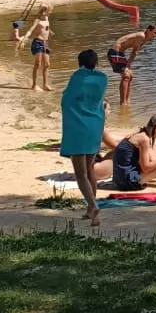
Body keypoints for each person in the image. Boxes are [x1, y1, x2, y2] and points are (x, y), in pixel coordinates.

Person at [60, 49, 110, 226]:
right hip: (95, 125)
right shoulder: (103, 78)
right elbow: (97, 100)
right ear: (96, 62)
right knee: (90, 170)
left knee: (80, 174)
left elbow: (67, 98)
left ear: (79, 62)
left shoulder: (77, 77)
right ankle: (91, 210)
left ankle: (93, 206)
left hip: (78, 127)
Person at [107, 25, 156, 105]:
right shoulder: (141, 36)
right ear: (148, 30)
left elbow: (135, 52)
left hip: (120, 54)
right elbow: (118, 43)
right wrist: (119, 59)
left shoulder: (144, 39)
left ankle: (127, 101)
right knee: (126, 76)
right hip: (115, 52)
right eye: (155, 33)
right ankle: (123, 103)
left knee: (130, 76)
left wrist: (128, 63)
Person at [20, 4, 54, 91]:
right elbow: (30, 31)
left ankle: (45, 85)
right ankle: (34, 85)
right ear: (44, 11)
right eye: (49, 11)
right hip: (38, 42)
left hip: (45, 43)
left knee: (47, 64)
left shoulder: (46, 19)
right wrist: (23, 41)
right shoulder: (37, 20)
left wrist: (50, 31)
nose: (50, 12)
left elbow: (46, 27)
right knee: (37, 64)